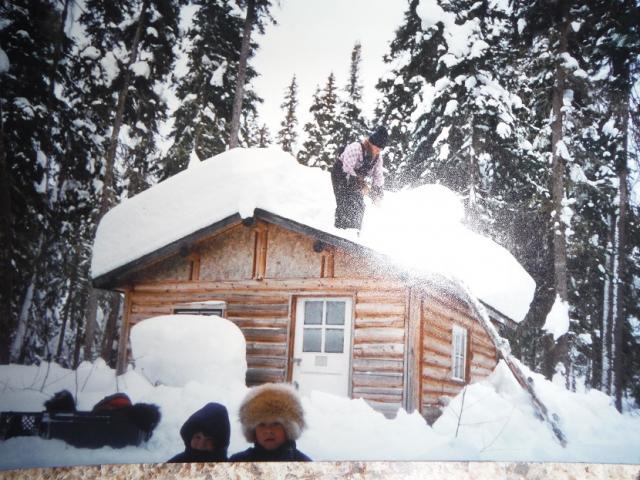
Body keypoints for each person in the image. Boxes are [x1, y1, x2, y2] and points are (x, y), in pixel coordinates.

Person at [229, 383, 311, 462]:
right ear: (252, 431)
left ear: (289, 429)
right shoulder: (237, 463)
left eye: (276, 424)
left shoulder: (305, 466)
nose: (268, 431)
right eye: (261, 424)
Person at [330, 125, 389, 230]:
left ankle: (354, 232)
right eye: (377, 148)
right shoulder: (355, 148)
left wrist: (377, 193)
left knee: (359, 206)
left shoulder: (378, 159)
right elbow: (347, 169)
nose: (378, 151)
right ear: (371, 143)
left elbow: (378, 176)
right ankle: (339, 230)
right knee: (345, 201)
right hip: (341, 174)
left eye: (380, 149)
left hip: (356, 179)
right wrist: (362, 187)